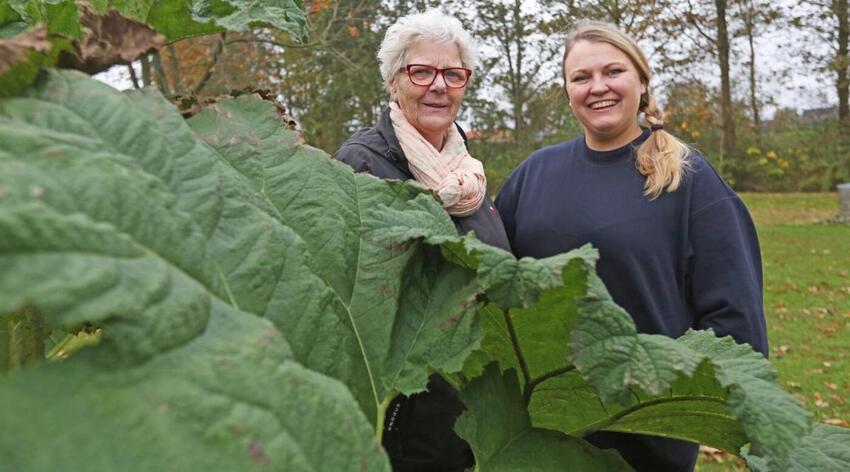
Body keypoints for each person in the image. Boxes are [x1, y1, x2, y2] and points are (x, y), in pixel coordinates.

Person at [494, 20, 769, 472]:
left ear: (641, 81)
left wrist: (689, 406)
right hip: (538, 434)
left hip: (642, 437)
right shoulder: (533, 174)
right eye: (581, 77)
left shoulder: (688, 181)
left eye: (613, 72)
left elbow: (735, 319)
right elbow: (493, 283)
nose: (597, 87)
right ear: (567, 91)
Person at [335, 9, 509, 471]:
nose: (439, 85)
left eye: (453, 74)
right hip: (398, 416)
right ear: (394, 82)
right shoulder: (362, 165)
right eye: (421, 71)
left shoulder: (467, 173)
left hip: (465, 414)